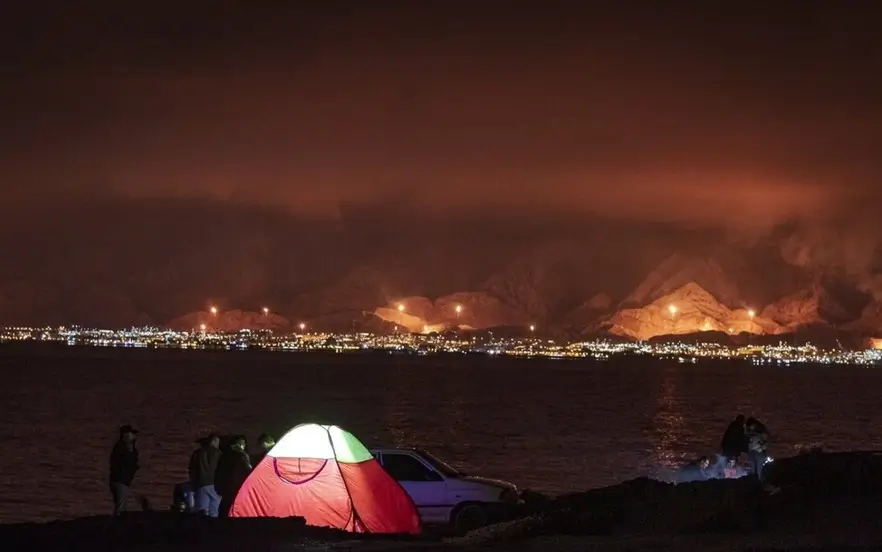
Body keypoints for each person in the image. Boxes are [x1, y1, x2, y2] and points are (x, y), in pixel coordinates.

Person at [216, 435, 252, 517]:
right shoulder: (242, 456)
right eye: (243, 444)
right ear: (240, 445)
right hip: (237, 486)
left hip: (226, 486)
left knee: (225, 508)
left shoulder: (224, 455)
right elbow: (248, 470)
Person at [109, 424, 140, 515]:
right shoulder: (121, 448)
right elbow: (118, 463)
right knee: (121, 508)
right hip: (120, 481)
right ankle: (116, 525)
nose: (134, 436)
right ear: (126, 435)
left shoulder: (131, 448)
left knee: (122, 505)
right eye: (132, 434)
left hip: (123, 481)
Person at [189, 434, 222, 517]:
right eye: (217, 441)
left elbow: (192, 470)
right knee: (214, 512)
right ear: (213, 441)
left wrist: (194, 483)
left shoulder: (197, 453)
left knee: (202, 511)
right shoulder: (219, 453)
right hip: (215, 485)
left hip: (201, 484)